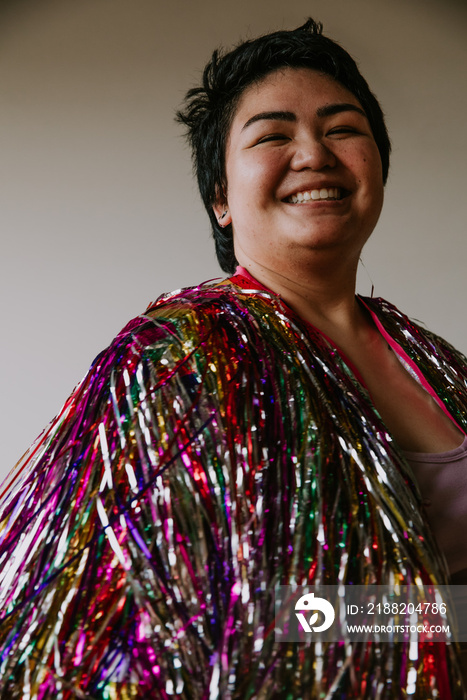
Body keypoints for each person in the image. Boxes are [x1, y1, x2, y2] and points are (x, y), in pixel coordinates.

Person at [0, 18, 466, 699]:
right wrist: (445, 620)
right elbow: (234, 620)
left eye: (341, 129)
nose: (312, 153)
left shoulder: (438, 361)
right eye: (273, 135)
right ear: (219, 198)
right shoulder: (173, 361)